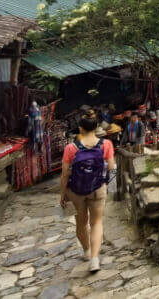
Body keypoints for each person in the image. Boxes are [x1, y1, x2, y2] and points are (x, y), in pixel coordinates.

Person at [59, 108, 116, 273]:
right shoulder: (106, 144)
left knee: (81, 223)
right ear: (96, 126)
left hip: (76, 191)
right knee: (96, 222)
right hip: (98, 188)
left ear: (80, 128)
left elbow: (64, 174)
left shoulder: (71, 148)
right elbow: (111, 167)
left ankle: (86, 251)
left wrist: (63, 194)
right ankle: (95, 259)